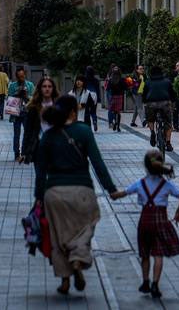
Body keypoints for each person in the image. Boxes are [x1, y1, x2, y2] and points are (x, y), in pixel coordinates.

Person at [35, 94, 117, 296]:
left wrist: (38, 196)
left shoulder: (48, 136)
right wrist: (111, 189)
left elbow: (40, 170)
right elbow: (98, 163)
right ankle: (78, 257)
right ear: (74, 111)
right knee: (85, 228)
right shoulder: (84, 132)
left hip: (54, 193)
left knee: (59, 235)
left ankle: (64, 280)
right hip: (82, 191)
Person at [111, 150, 179, 300]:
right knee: (158, 254)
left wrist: (113, 194)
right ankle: (155, 284)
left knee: (144, 254)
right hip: (161, 221)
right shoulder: (166, 185)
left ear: (146, 166)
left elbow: (123, 193)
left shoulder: (140, 183)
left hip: (145, 222)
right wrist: (178, 213)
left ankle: (145, 282)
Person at [21, 76, 59, 164]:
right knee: (40, 176)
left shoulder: (58, 106)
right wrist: (24, 152)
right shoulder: (34, 108)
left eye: (49, 86)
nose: (47, 89)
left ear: (53, 89)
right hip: (39, 146)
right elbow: (28, 131)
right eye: (44, 86)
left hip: (56, 146)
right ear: (40, 88)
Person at [143, 66, 177, 152]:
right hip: (165, 104)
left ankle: (152, 132)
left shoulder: (147, 82)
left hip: (151, 104)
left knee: (150, 119)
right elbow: (172, 94)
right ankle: (168, 143)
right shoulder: (167, 81)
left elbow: (144, 95)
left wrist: (145, 101)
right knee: (168, 122)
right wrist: (173, 102)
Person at [7, 66, 35, 160]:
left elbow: (34, 99)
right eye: (19, 76)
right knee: (16, 134)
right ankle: (16, 153)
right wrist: (17, 94)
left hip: (27, 112)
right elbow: (9, 99)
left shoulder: (30, 85)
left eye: (22, 76)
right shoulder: (12, 85)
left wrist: (26, 96)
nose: (21, 78)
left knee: (27, 134)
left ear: (25, 75)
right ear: (16, 76)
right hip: (16, 113)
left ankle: (25, 152)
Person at [106, 66, 127, 132]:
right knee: (118, 112)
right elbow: (125, 87)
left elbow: (107, 88)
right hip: (120, 96)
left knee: (113, 111)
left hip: (113, 96)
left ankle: (114, 123)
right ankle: (117, 125)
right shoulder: (122, 79)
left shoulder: (111, 79)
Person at [84, 66, 100, 132]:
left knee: (86, 111)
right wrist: (98, 98)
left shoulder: (84, 79)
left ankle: (88, 126)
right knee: (93, 111)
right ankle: (94, 120)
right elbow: (98, 90)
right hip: (94, 94)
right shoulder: (96, 80)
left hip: (87, 94)